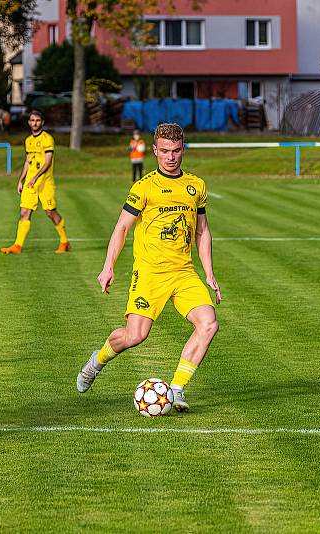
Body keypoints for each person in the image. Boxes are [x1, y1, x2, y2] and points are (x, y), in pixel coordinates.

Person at [76, 123, 222, 411]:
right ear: (154, 151)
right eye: (165, 151)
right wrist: (108, 267)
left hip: (183, 273)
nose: (171, 157)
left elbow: (202, 231)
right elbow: (121, 228)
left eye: (176, 151)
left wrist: (209, 273)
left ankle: (177, 389)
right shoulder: (144, 187)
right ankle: (96, 362)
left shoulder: (196, 186)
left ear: (184, 149)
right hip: (150, 274)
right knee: (135, 336)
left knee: (209, 324)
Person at [1, 110, 70, 254]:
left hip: (45, 183)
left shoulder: (47, 139)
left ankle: (64, 242)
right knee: (24, 212)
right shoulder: (28, 141)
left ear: (42, 122)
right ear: (29, 122)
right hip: (30, 183)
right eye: (32, 120)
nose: (35, 123)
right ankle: (17, 246)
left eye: (37, 120)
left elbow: (47, 163)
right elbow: (27, 162)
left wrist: (35, 177)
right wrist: (21, 180)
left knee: (50, 212)